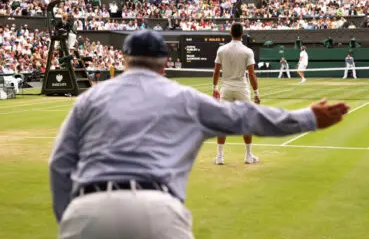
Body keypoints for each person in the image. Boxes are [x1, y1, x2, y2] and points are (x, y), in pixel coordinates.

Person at [49, 30, 349, 239]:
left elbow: (60, 165)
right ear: (166, 63)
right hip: (156, 209)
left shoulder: (89, 99)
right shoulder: (184, 99)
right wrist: (307, 118)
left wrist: (74, 217)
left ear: (125, 60)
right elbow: (245, 116)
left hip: (86, 211)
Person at [212, 23, 259, 165]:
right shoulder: (247, 51)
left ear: (230, 33)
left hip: (226, 89)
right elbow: (251, 74)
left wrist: (214, 88)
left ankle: (220, 157)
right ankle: (248, 156)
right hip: (242, 89)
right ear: (242, 34)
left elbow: (216, 71)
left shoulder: (221, 50)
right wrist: (256, 92)